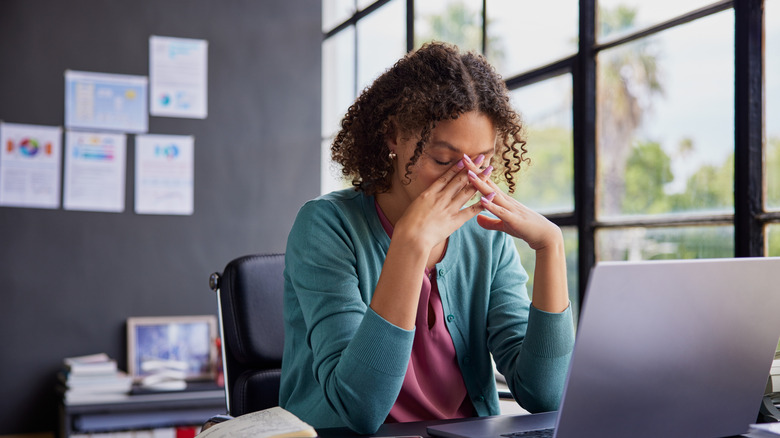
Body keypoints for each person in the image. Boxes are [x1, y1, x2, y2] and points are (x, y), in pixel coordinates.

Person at [279, 41, 575, 434]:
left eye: (482, 161)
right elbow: (359, 408)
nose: (467, 179)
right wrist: (410, 245)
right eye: (443, 160)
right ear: (393, 138)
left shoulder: (485, 236)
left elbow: (547, 395)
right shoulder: (325, 226)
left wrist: (550, 247)